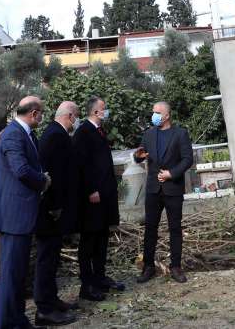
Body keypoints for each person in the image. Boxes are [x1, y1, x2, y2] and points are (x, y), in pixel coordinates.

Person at [0, 96, 51, 329]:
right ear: (33, 113)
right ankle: (8, 323)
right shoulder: (14, 134)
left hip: (19, 214)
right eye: (41, 112)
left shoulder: (24, 134)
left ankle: (17, 320)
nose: (43, 116)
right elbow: (21, 170)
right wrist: (43, 181)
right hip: (14, 215)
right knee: (11, 274)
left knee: (17, 273)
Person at [133, 101, 193, 284]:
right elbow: (140, 155)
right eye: (153, 112)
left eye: (158, 112)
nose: (154, 115)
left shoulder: (180, 134)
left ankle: (175, 266)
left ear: (167, 115)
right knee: (150, 228)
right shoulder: (149, 134)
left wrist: (171, 174)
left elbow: (187, 159)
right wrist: (138, 156)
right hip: (153, 189)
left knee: (175, 228)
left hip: (172, 188)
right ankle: (148, 266)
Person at [33, 102, 81, 326]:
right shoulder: (54, 136)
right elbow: (50, 175)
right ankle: (44, 309)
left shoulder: (56, 133)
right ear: (70, 116)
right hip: (50, 210)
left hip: (54, 210)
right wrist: (54, 206)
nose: (76, 121)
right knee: (46, 260)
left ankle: (52, 300)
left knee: (52, 259)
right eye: (77, 117)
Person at [72, 96, 122, 301]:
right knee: (89, 241)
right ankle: (87, 284)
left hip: (105, 197)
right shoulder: (83, 132)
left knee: (102, 239)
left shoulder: (98, 131)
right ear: (95, 112)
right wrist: (90, 189)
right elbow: (80, 165)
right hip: (92, 198)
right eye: (104, 109)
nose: (106, 111)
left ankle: (100, 278)